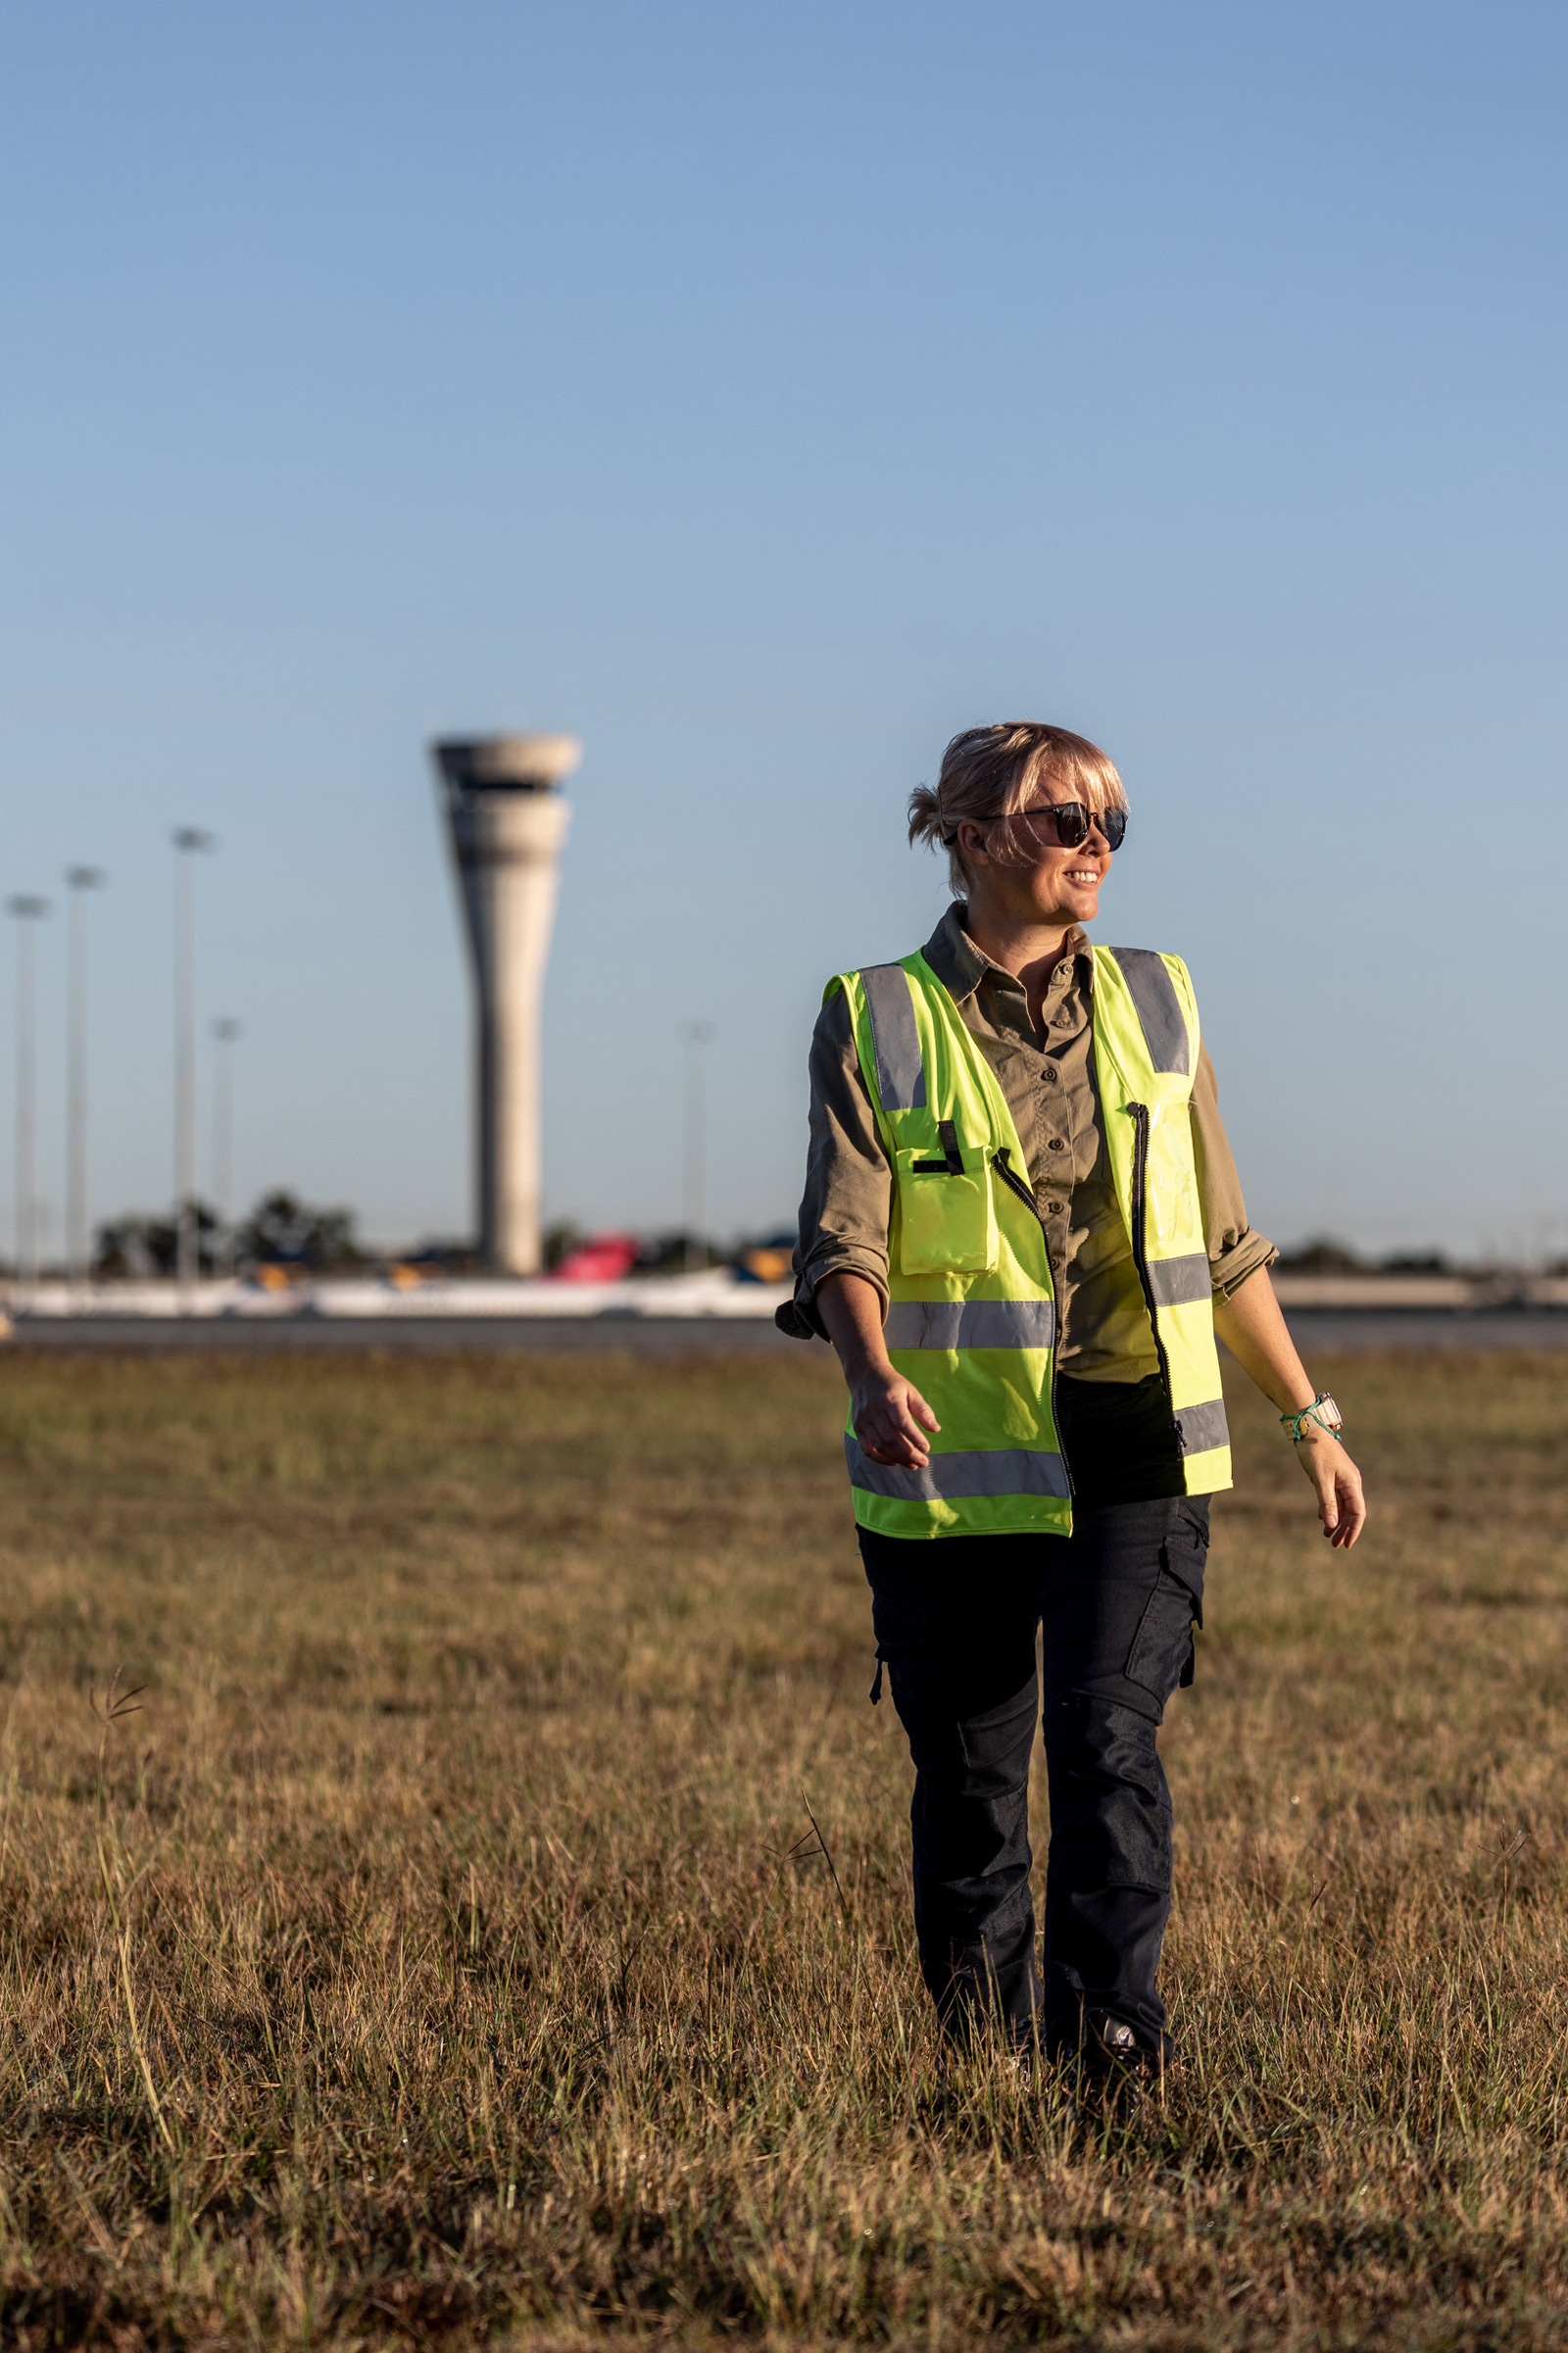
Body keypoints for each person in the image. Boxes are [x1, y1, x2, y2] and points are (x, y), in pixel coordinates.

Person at [778, 721, 1366, 2083]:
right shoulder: (875, 1014)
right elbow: (842, 1240)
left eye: (1113, 822)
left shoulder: (1160, 1001)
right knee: (973, 1779)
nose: (1096, 845)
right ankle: (985, 2061)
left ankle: (1112, 2046)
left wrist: (1310, 1420)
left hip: (1139, 1433)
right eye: (1064, 820)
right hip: (954, 1456)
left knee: (1105, 1740)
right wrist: (870, 1373)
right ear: (973, 834)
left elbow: (1223, 1242)